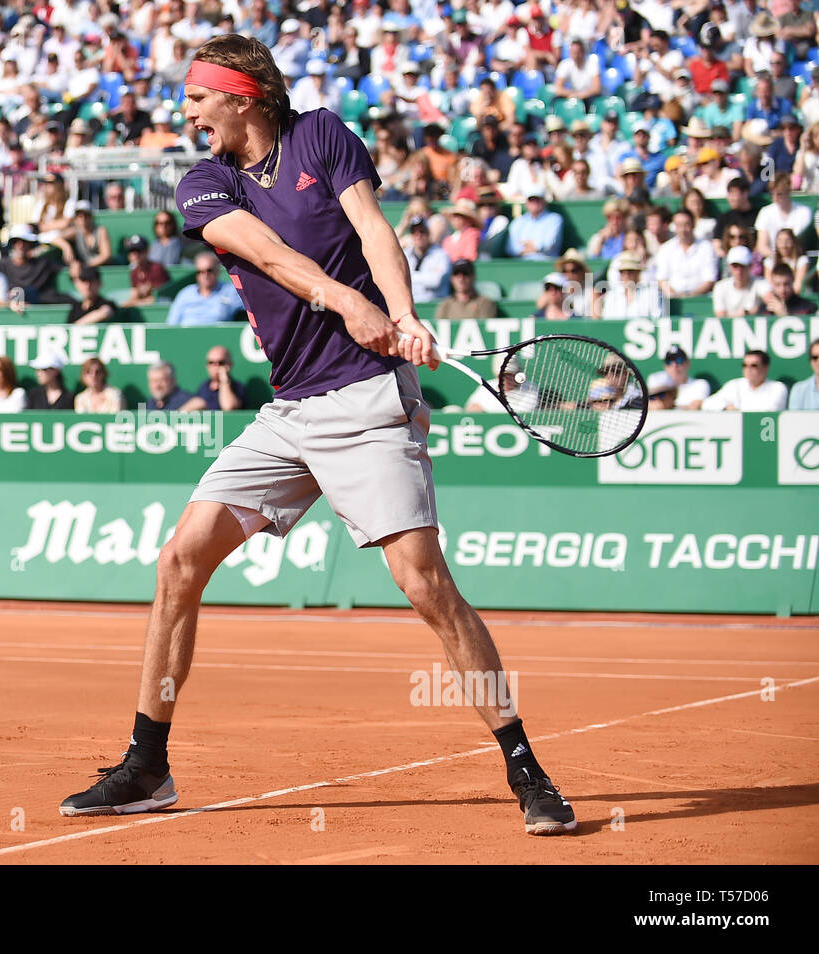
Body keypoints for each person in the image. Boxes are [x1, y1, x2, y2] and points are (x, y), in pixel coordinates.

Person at [59, 36, 575, 835]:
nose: (187, 112)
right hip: (289, 413)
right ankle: (147, 764)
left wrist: (400, 312)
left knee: (424, 585)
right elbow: (265, 251)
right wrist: (349, 303)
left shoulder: (323, 134)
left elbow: (372, 228)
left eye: (199, 99)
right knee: (180, 561)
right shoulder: (206, 182)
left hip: (367, 398)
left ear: (242, 96)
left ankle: (525, 767)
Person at [655, 209, 718, 299]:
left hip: (701, 299)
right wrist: (674, 296)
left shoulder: (707, 247)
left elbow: (710, 279)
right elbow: (662, 279)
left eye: (686, 224)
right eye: (679, 225)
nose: (683, 229)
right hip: (672, 300)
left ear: (693, 225)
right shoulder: (665, 249)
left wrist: (691, 296)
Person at [166, 252, 243, 325]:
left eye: (209, 270)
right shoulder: (185, 293)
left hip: (218, 336)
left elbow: (250, 307)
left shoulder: (230, 290)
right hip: (186, 336)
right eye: (200, 272)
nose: (205, 275)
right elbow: (172, 323)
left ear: (217, 271)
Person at [702, 349, 789, 411]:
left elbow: (771, 410)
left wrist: (737, 411)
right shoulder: (734, 385)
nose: (748, 369)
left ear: (765, 367)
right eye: (745, 365)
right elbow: (707, 404)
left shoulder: (777, 387)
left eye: (754, 365)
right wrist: (725, 407)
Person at [754, 178, 814, 260]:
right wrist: (776, 258)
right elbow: (762, 245)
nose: (775, 198)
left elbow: (800, 242)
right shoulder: (765, 212)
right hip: (773, 260)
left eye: (779, 194)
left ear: (788, 191)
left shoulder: (804, 212)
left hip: (797, 258)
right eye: (772, 194)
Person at [181, 345, 248, 412]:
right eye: (211, 362)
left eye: (221, 363)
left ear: (230, 364)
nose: (216, 366)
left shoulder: (237, 387)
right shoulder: (204, 386)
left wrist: (224, 381)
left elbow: (228, 407)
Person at [464, 355, 538, 414]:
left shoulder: (530, 388)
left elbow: (521, 415)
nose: (506, 379)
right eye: (502, 375)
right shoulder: (486, 387)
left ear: (518, 371)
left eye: (509, 374)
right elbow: (471, 410)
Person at [505, 187, 563, 260]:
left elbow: (550, 244)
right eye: (531, 200)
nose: (534, 203)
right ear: (526, 202)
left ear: (544, 201)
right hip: (522, 264)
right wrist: (534, 248)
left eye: (537, 200)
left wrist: (532, 246)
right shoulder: (518, 222)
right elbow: (511, 249)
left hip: (546, 263)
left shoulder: (554, 219)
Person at [403, 214, 451, 302]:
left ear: (428, 232)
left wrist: (411, 276)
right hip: (411, 304)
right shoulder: (405, 254)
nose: (418, 235)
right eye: (414, 232)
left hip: (435, 305)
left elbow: (436, 281)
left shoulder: (441, 255)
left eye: (422, 231)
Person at [714, 246, 767, 318]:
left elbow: (770, 299)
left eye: (743, 266)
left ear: (750, 266)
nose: (739, 271)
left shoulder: (760, 283)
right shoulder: (720, 287)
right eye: (735, 266)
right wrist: (745, 313)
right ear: (729, 267)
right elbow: (721, 317)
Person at [661, 346, 711, 410]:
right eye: (669, 362)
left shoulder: (700, 384)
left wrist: (665, 407)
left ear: (688, 363)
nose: (674, 366)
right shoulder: (657, 385)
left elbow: (695, 406)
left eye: (678, 360)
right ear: (665, 366)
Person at [788, 338, 819, 410]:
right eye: (815, 357)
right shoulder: (799, 389)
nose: (818, 361)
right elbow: (794, 418)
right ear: (810, 361)